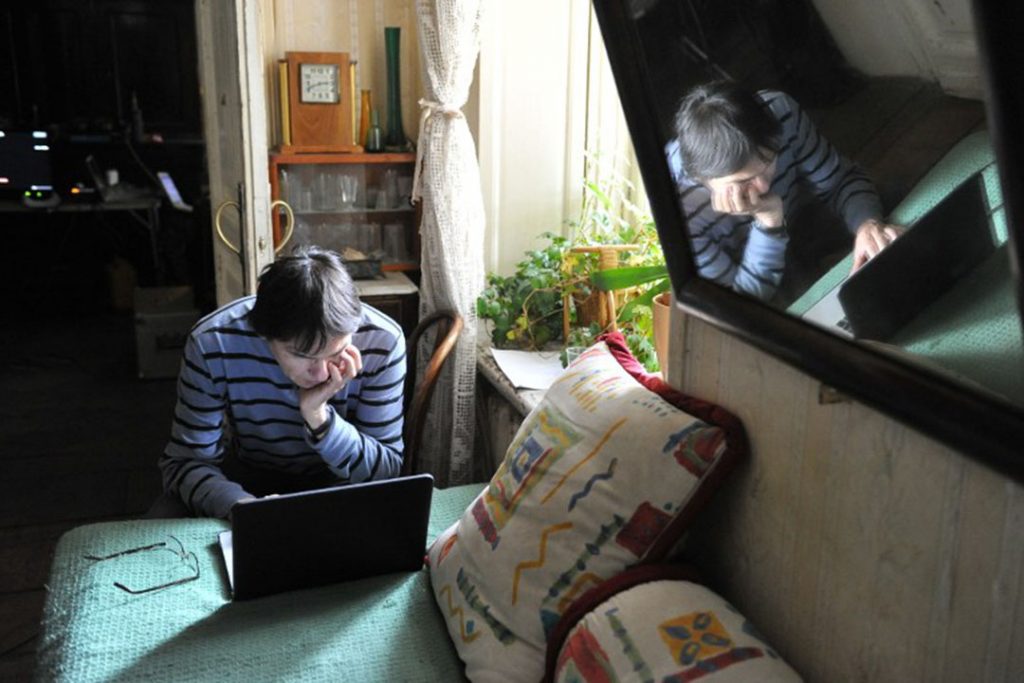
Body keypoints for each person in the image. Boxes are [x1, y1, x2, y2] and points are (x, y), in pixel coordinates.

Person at [152, 245, 406, 519]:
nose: (321, 375)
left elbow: (386, 471)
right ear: (263, 333)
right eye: (301, 355)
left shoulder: (382, 341)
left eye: (335, 353)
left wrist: (320, 419)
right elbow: (186, 462)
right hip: (247, 481)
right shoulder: (212, 342)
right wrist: (241, 507)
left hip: (341, 487)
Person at [666, 80, 903, 303]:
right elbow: (741, 301)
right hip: (752, 264)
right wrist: (769, 221)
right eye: (744, 180)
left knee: (895, 210)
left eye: (769, 162)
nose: (764, 186)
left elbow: (840, 181)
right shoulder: (677, 213)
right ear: (700, 177)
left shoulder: (779, 111)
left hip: (801, 216)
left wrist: (867, 225)